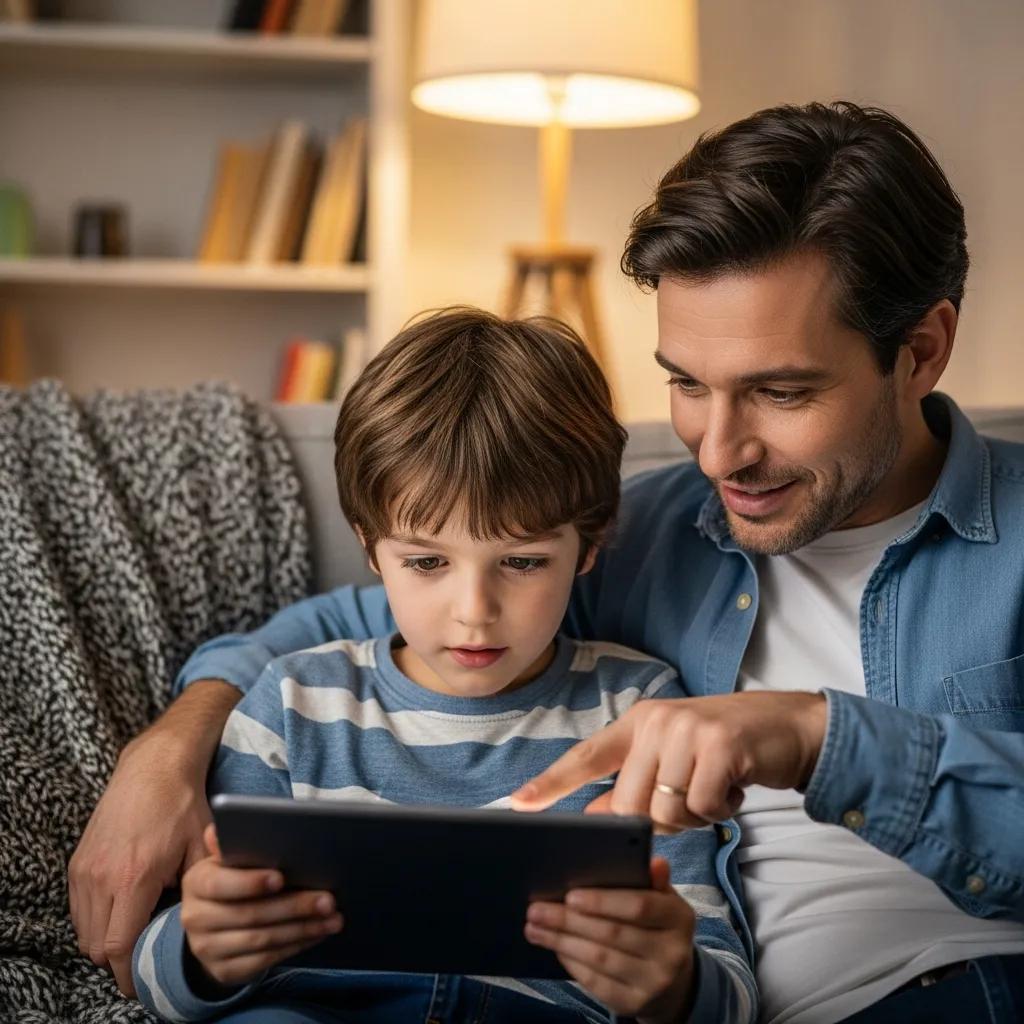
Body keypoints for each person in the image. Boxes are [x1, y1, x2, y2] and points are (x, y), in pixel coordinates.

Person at [71, 100, 1024, 1023]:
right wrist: (167, 751)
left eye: (780, 391)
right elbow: (346, 627)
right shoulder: (637, 532)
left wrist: (817, 737)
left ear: (922, 350)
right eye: (687, 385)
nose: (717, 452)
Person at [129, 308, 756, 1023]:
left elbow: (726, 987)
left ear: (589, 547)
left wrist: (675, 986)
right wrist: (201, 953)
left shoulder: (640, 712)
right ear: (370, 548)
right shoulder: (293, 702)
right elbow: (157, 974)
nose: (474, 611)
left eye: (522, 562)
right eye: (426, 562)